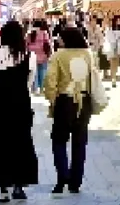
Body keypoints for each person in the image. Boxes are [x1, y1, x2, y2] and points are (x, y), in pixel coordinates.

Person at [44, 28, 108, 194]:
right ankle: (75, 182)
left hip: (65, 101)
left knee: (58, 140)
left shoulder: (58, 56)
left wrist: (51, 99)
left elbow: (50, 81)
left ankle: (62, 176)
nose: (59, 41)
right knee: (79, 142)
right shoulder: (88, 55)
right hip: (84, 102)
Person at [0, 20, 39, 202]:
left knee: (0, 143)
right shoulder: (28, 55)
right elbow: (30, 81)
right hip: (21, 104)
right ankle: (19, 186)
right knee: (22, 142)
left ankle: (2, 187)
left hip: (0, 105)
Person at [27, 24, 52, 94]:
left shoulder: (30, 34)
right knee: (43, 73)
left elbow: (26, 44)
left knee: (34, 73)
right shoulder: (44, 33)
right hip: (43, 56)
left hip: (33, 57)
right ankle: (42, 89)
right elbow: (47, 44)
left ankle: (35, 89)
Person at [105, 16, 120, 86]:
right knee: (112, 62)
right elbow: (108, 38)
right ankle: (113, 77)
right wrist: (114, 39)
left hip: (118, 47)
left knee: (116, 63)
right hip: (111, 47)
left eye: (119, 20)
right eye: (117, 20)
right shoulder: (110, 29)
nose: (118, 22)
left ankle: (114, 75)